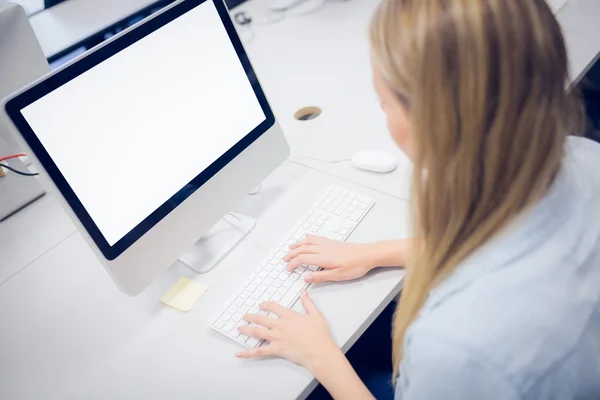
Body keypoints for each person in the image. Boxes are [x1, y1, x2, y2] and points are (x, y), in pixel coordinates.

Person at [236, 0, 600, 398]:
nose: (380, 108)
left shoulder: (457, 346)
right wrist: (377, 251)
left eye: (385, 100)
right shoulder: (581, 155)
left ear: (433, 124)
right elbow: (508, 238)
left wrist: (320, 355)